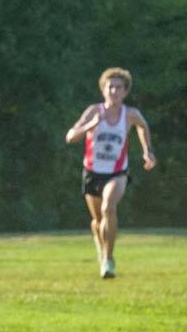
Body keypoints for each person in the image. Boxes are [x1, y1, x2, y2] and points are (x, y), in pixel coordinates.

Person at [65, 67, 155, 278]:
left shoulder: (130, 114)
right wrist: (90, 125)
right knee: (98, 221)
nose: (114, 91)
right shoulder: (94, 111)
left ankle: (108, 259)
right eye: (110, 87)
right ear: (103, 90)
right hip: (92, 172)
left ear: (125, 92)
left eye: (118, 88)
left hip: (117, 173)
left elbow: (143, 126)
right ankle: (101, 243)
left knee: (109, 207)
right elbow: (70, 137)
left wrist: (147, 151)